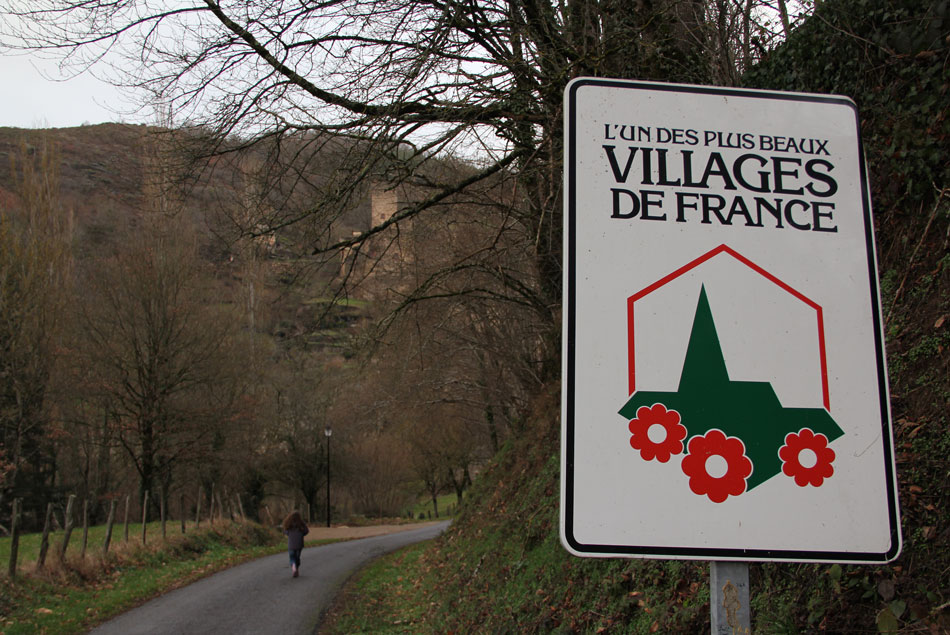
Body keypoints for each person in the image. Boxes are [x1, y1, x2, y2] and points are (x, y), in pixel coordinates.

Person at [282, 510, 309, 577]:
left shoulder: (289, 525)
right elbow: (306, 531)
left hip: (291, 545)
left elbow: (285, 531)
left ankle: (293, 567)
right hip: (299, 544)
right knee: (297, 557)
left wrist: (289, 534)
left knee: (292, 557)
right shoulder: (301, 524)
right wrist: (301, 534)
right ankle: (296, 569)